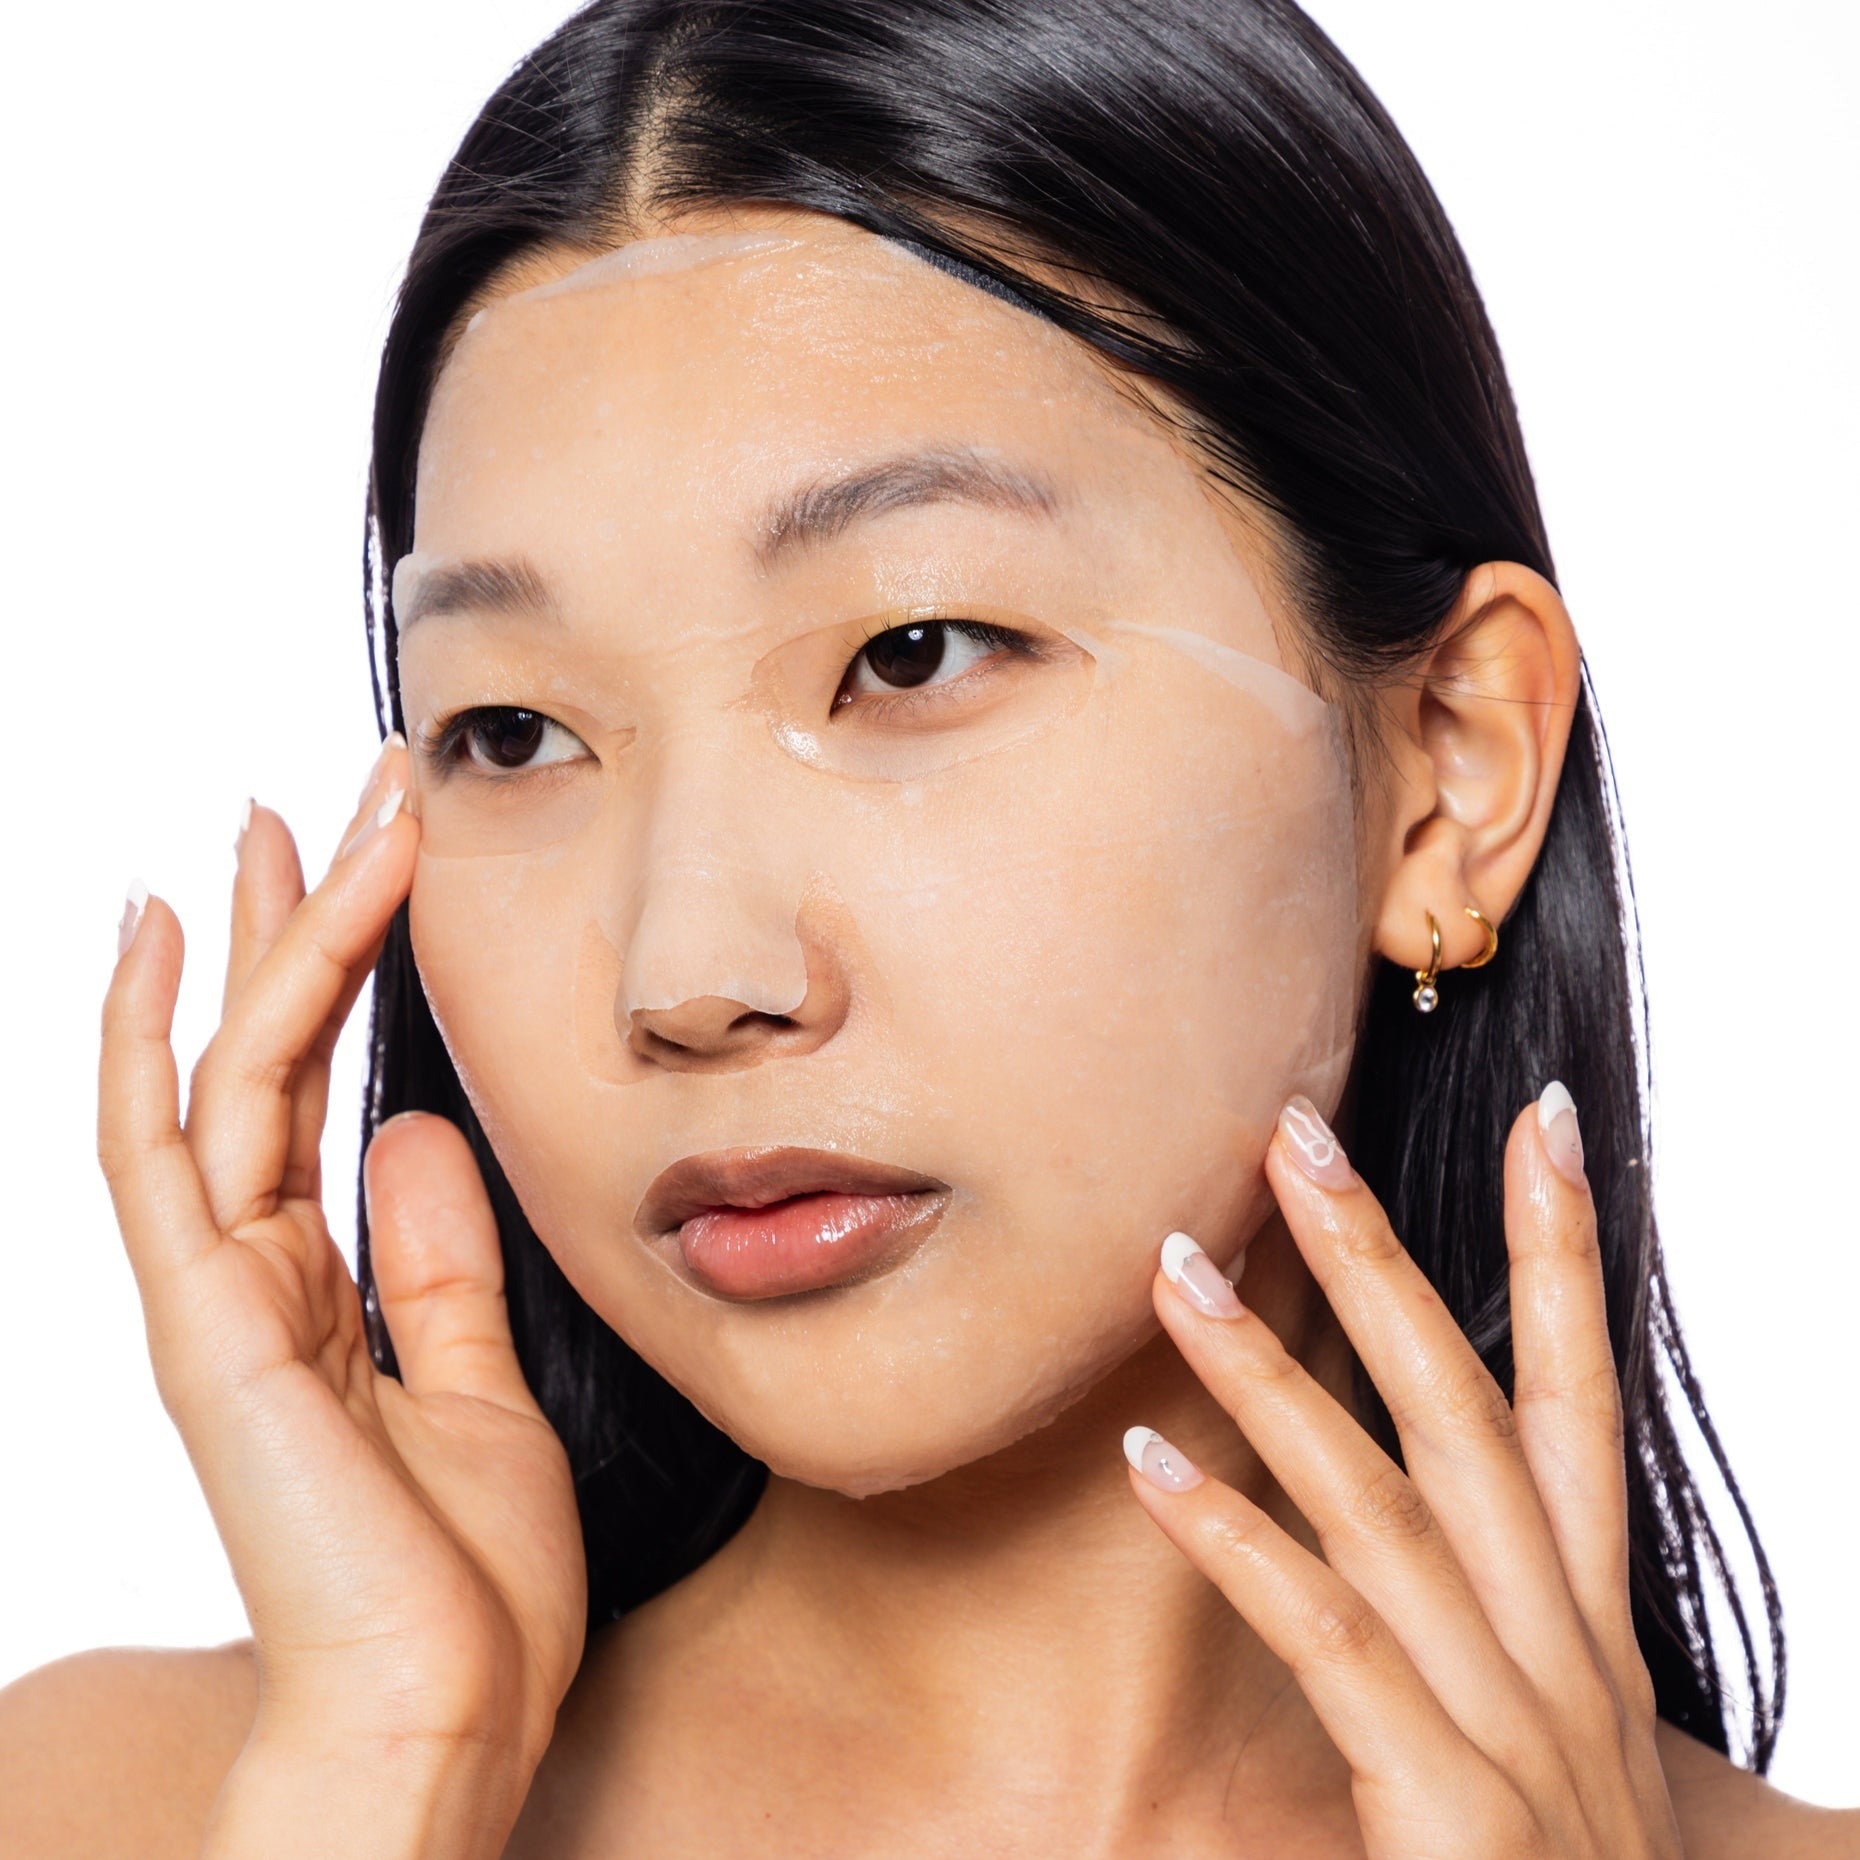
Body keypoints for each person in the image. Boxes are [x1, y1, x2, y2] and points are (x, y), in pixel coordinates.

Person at [4, 1, 1854, 1853]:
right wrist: (383, 1784)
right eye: (514, 730)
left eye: (912, 654)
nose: (692, 977)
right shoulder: (126, 1806)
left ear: (1450, 771)